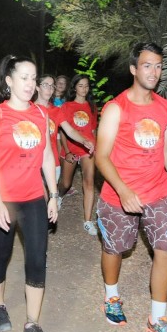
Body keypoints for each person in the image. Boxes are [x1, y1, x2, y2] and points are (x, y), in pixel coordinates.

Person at [96, 42, 167, 332]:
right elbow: (101, 156)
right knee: (116, 248)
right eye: (148, 65)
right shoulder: (116, 108)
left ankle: (157, 320)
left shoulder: (164, 107)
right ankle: (111, 297)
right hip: (119, 193)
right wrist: (123, 190)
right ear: (134, 69)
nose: (154, 71)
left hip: (158, 192)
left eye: (159, 66)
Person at [0, 55, 58, 332]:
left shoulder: (41, 114)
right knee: (1, 254)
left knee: (37, 259)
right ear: (9, 80)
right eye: (23, 77)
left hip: (32, 199)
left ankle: (32, 325)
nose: (30, 84)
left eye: (33, 78)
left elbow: (48, 156)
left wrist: (53, 194)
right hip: (0, 200)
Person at [34, 74, 94, 201]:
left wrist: (84, 141)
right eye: (45, 85)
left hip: (52, 160)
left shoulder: (57, 111)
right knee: (36, 198)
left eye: (52, 86)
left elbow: (70, 131)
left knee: (49, 198)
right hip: (33, 160)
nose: (49, 89)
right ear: (37, 87)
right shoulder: (28, 108)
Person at [58, 74, 98, 235]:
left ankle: (88, 220)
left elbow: (93, 130)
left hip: (87, 149)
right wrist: (67, 151)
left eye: (86, 85)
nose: (84, 88)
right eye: (80, 85)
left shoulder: (92, 107)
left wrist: (95, 147)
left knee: (89, 183)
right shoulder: (67, 106)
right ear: (74, 87)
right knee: (66, 184)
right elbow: (63, 132)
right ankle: (59, 195)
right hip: (71, 148)